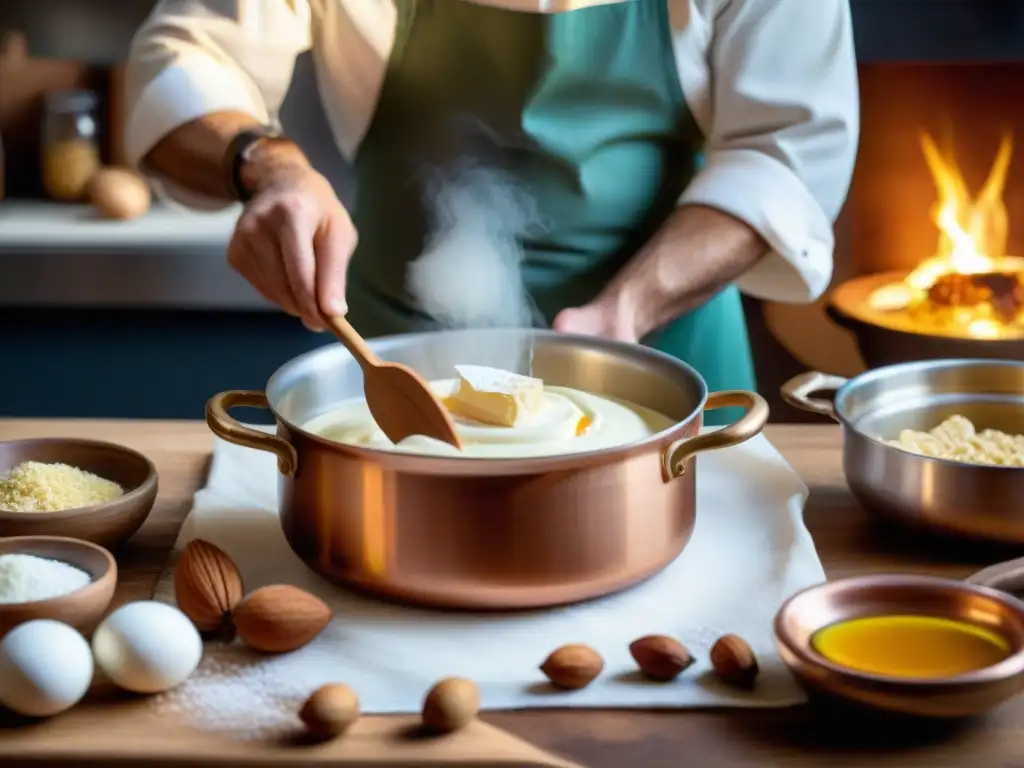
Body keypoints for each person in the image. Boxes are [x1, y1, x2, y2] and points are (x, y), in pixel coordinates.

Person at [125, 0, 858, 422]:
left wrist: (627, 312)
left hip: (667, 364)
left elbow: (783, 149)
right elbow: (183, 57)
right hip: (394, 369)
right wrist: (268, 166)